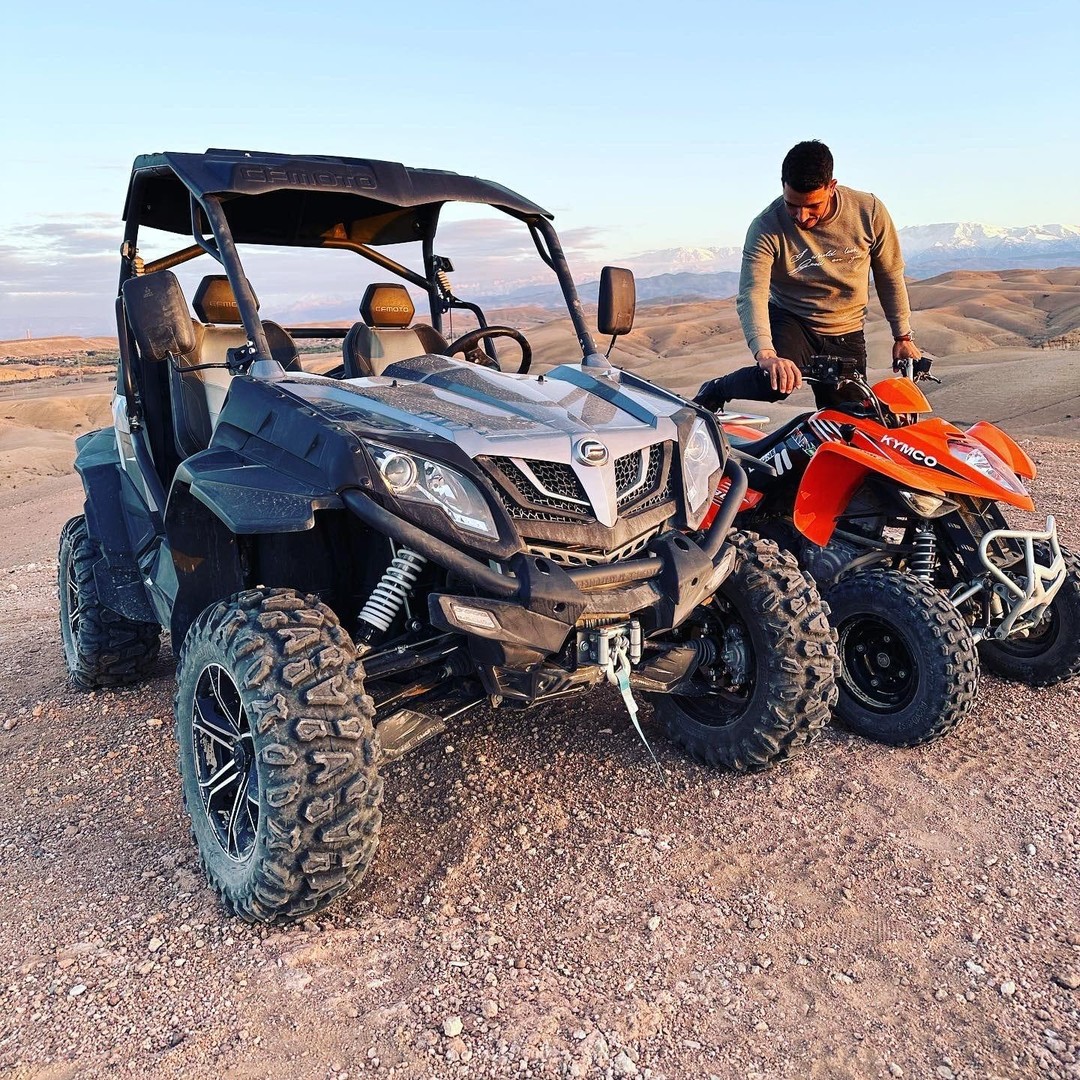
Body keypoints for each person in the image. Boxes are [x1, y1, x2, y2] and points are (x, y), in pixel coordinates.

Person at [695, 140, 921, 411]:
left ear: (831, 186)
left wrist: (903, 337)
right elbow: (751, 293)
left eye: (813, 206)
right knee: (775, 382)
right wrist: (766, 354)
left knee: (847, 422)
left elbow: (889, 274)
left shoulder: (868, 212)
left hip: (846, 330)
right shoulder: (766, 226)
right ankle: (718, 389)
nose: (801, 216)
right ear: (782, 186)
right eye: (792, 205)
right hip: (792, 319)